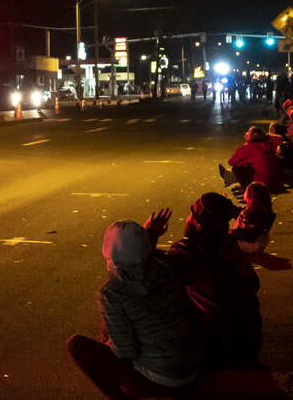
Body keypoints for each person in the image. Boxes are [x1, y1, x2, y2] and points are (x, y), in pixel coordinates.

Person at [67, 216, 204, 398]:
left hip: (160, 379)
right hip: (192, 367)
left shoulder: (112, 294)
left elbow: (126, 353)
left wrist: (111, 342)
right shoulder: (165, 270)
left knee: (76, 345)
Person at [166, 193, 262, 368]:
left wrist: (149, 235)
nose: (187, 220)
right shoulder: (231, 244)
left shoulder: (187, 253)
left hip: (217, 347)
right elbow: (253, 284)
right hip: (250, 341)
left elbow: (151, 279)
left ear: (198, 224)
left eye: (191, 216)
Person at [219, 126, 283, 190]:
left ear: (254, 135)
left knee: (238, 168)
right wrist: (266, 135)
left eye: (248, 132)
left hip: (263, 185)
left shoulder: (249, 147)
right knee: (252, 164)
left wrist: (244, 161)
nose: (245, 134)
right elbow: (279, 138)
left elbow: (231, 162)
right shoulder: (269, 143)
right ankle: (231, 177)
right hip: (277, 183)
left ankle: (246, 189)